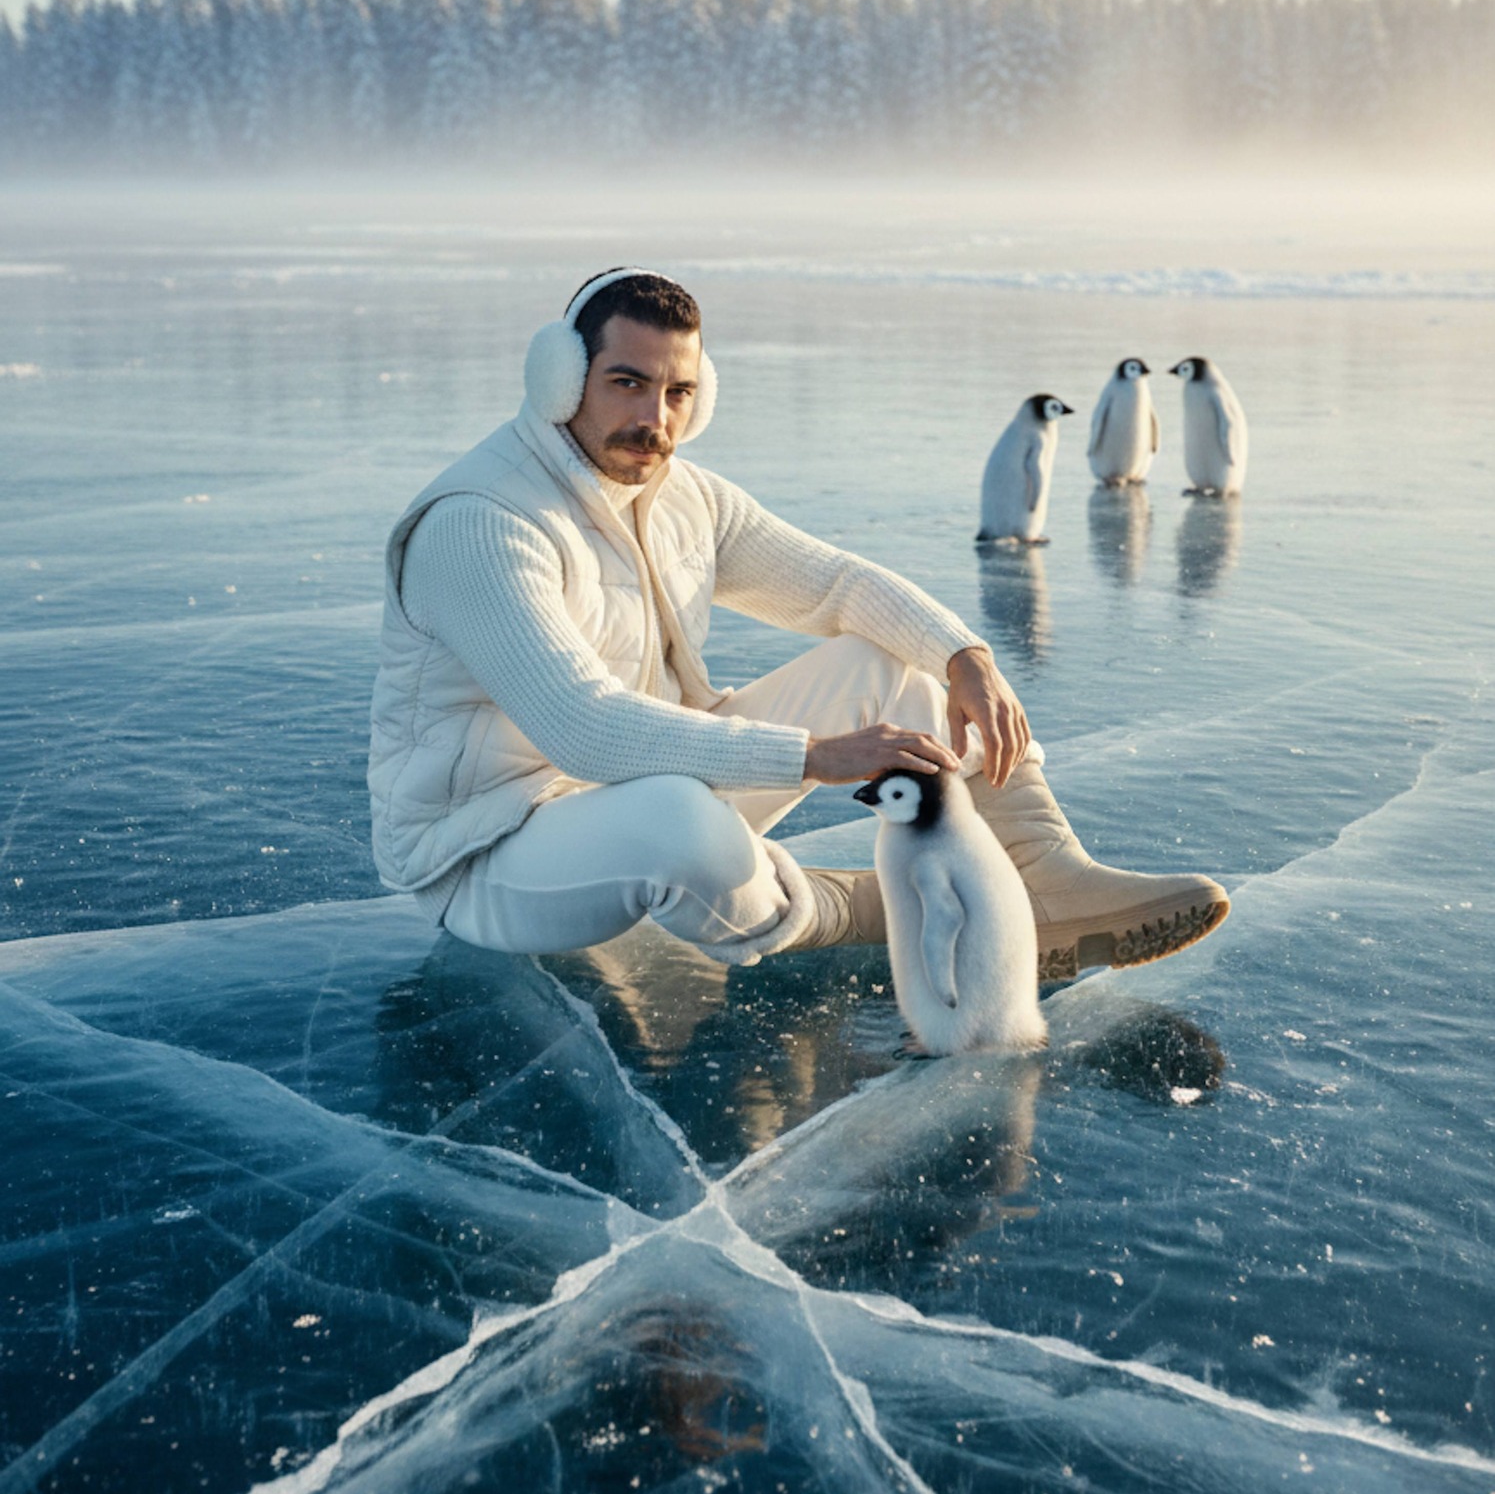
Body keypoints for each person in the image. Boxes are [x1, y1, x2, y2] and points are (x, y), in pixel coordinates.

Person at [369, 268, 1229, 977]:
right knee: (678, 824)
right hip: (492, 852)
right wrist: (813, 757)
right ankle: (867, 909)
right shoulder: (480, 524)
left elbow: (836, 584)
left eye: (677, 392)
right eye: (626, 383)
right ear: (560, 379)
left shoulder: (680, 495)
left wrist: (964, 657)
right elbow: (582, 728)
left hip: (643, 784)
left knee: (895, 661)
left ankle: (1048, 877)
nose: (654, 420)